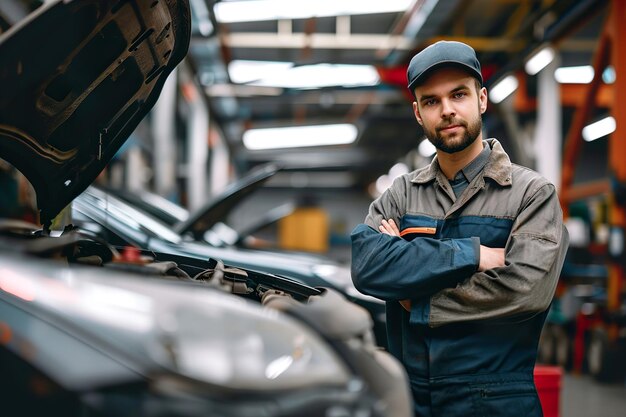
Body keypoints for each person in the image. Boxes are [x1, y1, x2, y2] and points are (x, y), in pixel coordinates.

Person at [350, 40, 569, 416]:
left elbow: (525, 290)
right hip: (412, 400)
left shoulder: (530, 194)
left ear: (482, 100)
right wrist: (473, 255)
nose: (447, 110)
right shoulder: (402, 193)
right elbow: (368, 266)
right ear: (418, 113)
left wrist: (417, 301)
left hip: (497, 401)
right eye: (432, 101)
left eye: (458, 95)